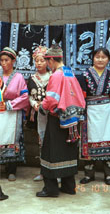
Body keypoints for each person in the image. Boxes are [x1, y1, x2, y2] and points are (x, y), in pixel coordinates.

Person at [36, 44, 85, 197]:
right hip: (72, 120)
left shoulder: (56, 75)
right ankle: (69, 186)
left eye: (47, 61)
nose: (47, 65)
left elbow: (51, 99)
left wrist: (41, 108)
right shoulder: (69, 72)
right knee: (68, 152)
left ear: (51, 60)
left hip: (57, 119)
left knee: (50, 152)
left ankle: (51, 189)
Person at [77, 47, 110, 185]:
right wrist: (82, 115)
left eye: (103, 57)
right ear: (93, 58)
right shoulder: (84, 75)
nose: (100, 60)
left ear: (108, 59)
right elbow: (81, 97)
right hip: (90, 111)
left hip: (106, 112)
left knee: (107, 138)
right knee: (89, 140)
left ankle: (109, 175)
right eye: (97, 57)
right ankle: (89, 174)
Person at [0, 47, 29, 181]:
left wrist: (8, 105)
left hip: (12, 113)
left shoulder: (19, 78)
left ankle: (11, 169)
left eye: (6, 60)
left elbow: (25, 97)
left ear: (13, 61)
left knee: (12, 139)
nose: (3, 63)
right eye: (1, 60)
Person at [27, 46, 51, 181]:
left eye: (42, 60)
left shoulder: (52, 77)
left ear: (47, 61)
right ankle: (43, 171)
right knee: (42, 141)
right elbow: (30, 96)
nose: (39, 63)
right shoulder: (32, 78)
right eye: (37, 61)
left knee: (52, 141)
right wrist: (34, 104)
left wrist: (46, 104)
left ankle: (54, 171)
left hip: (52, 113)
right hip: (39, 114)